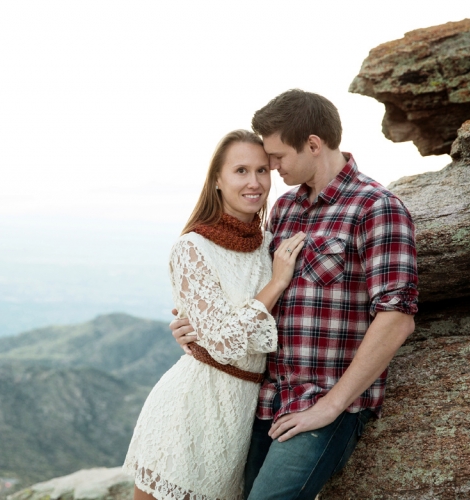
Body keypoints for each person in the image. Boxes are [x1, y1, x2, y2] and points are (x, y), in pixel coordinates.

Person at [170, 89, 419, 500]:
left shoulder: (377, 208)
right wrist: (198, 326)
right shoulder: (285, 209)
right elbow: (250, 289)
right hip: (267, 401)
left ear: (314, 145)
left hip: (324, 405)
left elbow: (397, 318)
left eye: (278, 157)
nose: (272, 167)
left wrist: (331, 407)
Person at [123, 129, 307, 500]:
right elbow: (223, 342)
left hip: (241, 416)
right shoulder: (192, 247)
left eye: (261, 170)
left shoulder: (269, 246)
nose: (254, 182)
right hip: (191, 406)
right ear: (217, 181)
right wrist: (275, 284)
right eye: (240, 170)